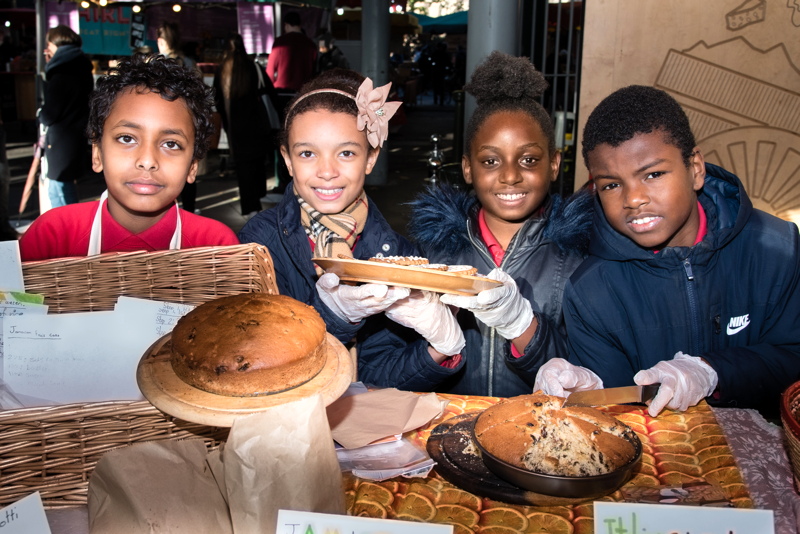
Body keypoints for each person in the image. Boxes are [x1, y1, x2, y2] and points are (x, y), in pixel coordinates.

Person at [534, 85, 800, 418]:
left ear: (696, 168)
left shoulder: (778, 247)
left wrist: (713, 371)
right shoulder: (591, 288)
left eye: (654, 174)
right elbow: (618, 407)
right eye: (611, 185)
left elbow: (793, 356)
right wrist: (593, 388)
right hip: (659, 462)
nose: (633, 198)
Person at [238, 69, 465, 389]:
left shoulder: (398, 253)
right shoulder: (258, 245)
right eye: (307, 153)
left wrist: (440, 347)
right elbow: (256, 365)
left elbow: (376, 373)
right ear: (287, 161)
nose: (327, 171)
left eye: (346, 152)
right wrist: (332, 316)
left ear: (370, 158)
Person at [407, 51, 592, 397]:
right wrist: (436, 351)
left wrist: (524, 328)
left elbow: (589, 377)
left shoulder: (582, 258)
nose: (509, 175)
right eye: (490, 160)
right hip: (449, 430)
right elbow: (393, 375)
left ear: (554, 164)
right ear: (467, 168)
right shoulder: (431, 253)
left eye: (528, 159)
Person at [19, 54, 239, 261]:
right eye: (127, 138)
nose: (147, 160)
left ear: (192, 166)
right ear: (97, 153)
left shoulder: (216, 248)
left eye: (171, 144)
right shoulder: (52, 236)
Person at [213, 33, 272, 216]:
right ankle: (258, 197)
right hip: (255, 125)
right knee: (257, 164)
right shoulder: (253, 67)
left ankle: (249, 206)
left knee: (243, 168)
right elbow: (269, 91)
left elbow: (217, 101)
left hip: (235, 127)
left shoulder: (222, 70)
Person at [38, 25, 94, 209]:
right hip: (74, 136)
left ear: (58, 44)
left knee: (59, 191)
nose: (47, 49)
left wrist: (40, 113)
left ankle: (67, 234)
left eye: (49, 44)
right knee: (62, 188)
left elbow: (49, 114)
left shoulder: (61, 72)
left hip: (61, 141)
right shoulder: (81, 67)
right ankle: (68, 231)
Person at [265, 11, 316, 94]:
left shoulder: (280, 42)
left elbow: (270, 70)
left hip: (282, 91)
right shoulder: (310, 44)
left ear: (287, 25)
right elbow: (313, 71)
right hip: (303, 91)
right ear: (299, 25)